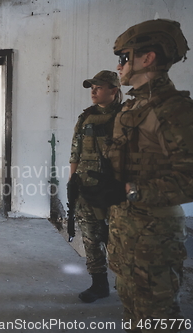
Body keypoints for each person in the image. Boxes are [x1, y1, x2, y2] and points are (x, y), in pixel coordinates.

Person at [81, 19, 193, 332]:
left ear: (148, 58)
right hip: (126, 231)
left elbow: (189, 178)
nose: (119, 66)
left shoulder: (175, 110)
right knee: (133, 312)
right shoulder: (132, 108)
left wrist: (129, 190)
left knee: (157, 319)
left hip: (155, 235)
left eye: (124, 58)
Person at [69, 70, 123, 303]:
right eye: (92, 87)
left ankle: (127, 282)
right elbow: (75, 151)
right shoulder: (85, 118)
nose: (93, 91)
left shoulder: (126, 117)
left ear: (113, 90)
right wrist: (72, 180)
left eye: (98, 87)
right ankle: (99, 284)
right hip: (86, 187)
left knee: (119, 239)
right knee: (91, 238)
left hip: (114, 189)